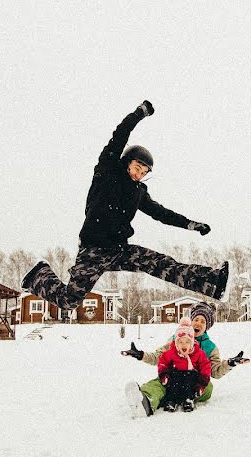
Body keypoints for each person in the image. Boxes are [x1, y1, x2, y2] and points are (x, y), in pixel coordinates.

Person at [21, 100, 230, 313]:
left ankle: (213, 282)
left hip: (119, 249)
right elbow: (120, 134)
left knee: (160, 264)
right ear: (127, 161)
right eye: (137, 168)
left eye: (144, 173)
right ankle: (39, 275)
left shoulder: (138, 192)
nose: (139, 175)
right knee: (70, 301)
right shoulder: (108, 170)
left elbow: (161, 213)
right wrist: (139, 113)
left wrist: (190, 225)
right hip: (93, 249)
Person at [123, 301, 249, 415]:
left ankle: (182, 398)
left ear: (207, 326)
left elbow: (215, 371)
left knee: (208, 387)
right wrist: (141, 355)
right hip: (172, 379)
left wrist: (230, 363)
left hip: (193, 383)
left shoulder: (210, 347)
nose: (198, 323)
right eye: (196, 319)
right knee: (158, 384)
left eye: (203, 321)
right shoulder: (177, 339)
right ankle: (146, 401)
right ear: (191, 321)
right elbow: (160, 357)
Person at [153, 317, 211, 412]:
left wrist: (202, 381)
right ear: (176, 343)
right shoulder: (171, 352)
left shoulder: (199, 353)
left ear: (192, 343)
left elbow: (206, 365)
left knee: (190, 382)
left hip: (191, 377)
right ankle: (172, 400)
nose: (184, 345)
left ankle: (188, 400)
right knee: (172, 384)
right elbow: (162, 362)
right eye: (180, 342)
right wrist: (164, 374)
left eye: (187, 342)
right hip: (175, 376)